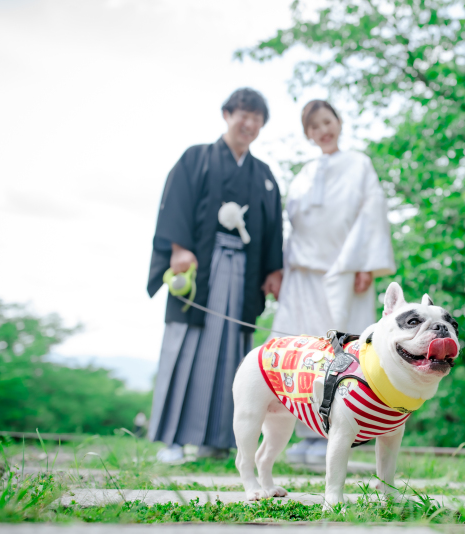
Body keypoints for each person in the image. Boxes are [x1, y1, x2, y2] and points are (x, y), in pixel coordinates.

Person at [146, 88, 283, 463]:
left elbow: (272, 228)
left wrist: (274, 269)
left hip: (242, 274)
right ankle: (173, 440)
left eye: (257, 118)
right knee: (187, 345)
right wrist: (177, 248)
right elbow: (175, 203)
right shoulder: (197, 158)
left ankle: (218, 440)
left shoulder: (264, 175)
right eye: (244, 114)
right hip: (199, 269)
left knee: (234, 356)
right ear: (227, 114)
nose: (249, 123)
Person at [270, 100, 396, 464]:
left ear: (338, 122)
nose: (323, 130)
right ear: (308, 134)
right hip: (302, 275)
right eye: (314, 126)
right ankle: (301, 433)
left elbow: (372, 212)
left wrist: (365, 265)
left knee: (344, 350)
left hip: (344, 272)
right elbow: (293, 223)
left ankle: (338, 433)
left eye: (327, 121)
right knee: (300, 348)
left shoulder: (359, 163)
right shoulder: (304, 173)